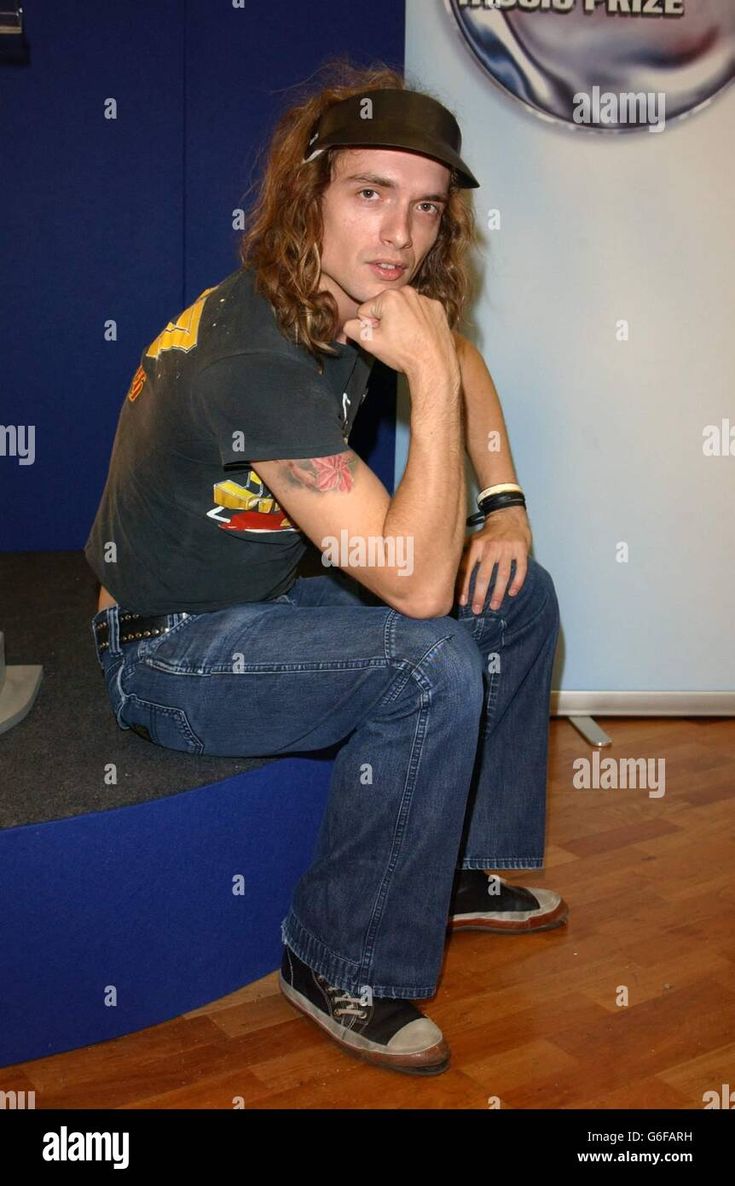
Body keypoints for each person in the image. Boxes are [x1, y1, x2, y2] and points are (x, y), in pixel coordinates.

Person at [85, 60, 567, 1077]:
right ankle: (335, 956)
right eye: (370, 194)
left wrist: (506, 505)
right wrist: (428, 379)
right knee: (426, 658)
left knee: (517, 595)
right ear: (310, 198)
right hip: (168, 644)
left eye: (426, 208)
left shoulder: (361, 286)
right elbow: (418, 588)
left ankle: (454, 870)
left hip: (258, 591)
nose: (400, 234)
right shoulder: (250, 355)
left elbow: (465, 362)